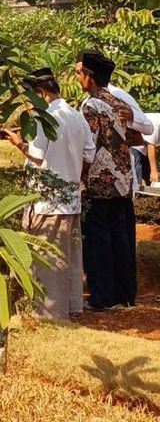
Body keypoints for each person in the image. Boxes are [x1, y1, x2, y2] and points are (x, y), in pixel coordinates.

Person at [7, 68, 94, 320]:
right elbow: (89, 155)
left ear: (41, 93)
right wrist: (70, 168)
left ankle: (50, 314)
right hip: (71, 198)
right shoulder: (78, 117)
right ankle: (72, 306)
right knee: (70, 257)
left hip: (48, 201)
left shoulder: (44, 119)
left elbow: (37, 155)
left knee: (48, 260)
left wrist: (18, 143)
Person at [75, 51, 140, 310]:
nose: (78, 77)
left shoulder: (90, 105)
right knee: (121, 239)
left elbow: (89, 146)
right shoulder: (119, 103)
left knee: (98, 241)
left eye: (80, 73)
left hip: (100, 183)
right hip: (123, 181)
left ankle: (102, 297)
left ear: (89, 77)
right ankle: (125, 295)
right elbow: (136, 138)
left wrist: (81, 175)